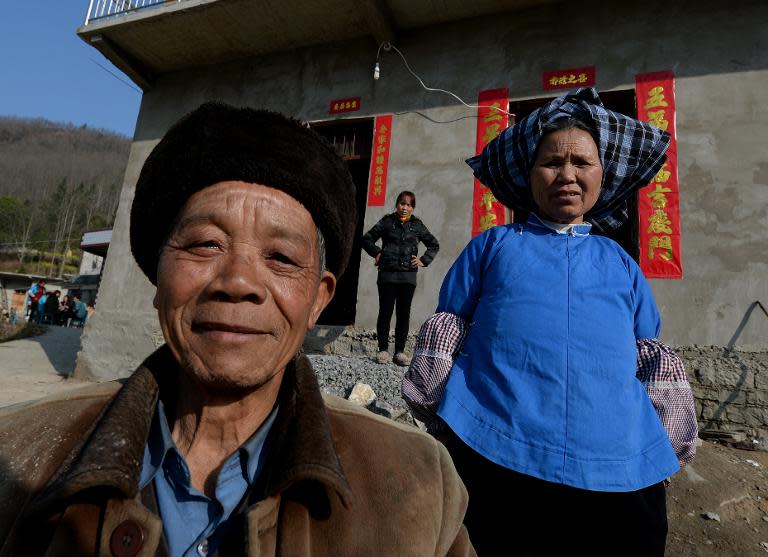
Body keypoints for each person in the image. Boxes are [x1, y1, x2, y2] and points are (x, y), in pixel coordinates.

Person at [0, 103, 474, 557]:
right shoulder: (16, 456)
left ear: (319, 299)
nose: (239, 283)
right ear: (158, 277)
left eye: (282, 258)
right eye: (206, 244)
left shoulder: (421, 487)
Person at [405, 88, 697, 556]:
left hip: (617, 472)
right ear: (529, 173)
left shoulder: (620, 261)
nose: (567, 175)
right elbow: (449, 325)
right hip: (495, 453)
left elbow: (649, 352)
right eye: (551, 162)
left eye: (582, 163)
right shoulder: (493, 245)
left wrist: (668, 435)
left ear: (602, 175)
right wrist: (440, 415)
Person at [362, 191, 439, 366]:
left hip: (408, 276)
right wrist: (377, 253)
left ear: (413, 208)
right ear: (397, 204)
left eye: (409, 205)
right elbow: (366, 239)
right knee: (385, 311)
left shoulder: (417, 225)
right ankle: (383, 350)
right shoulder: (387, 222)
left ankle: (400, 352)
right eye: (402, 204)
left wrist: (423, 260)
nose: (405, 208)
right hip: (387, 274)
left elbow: (434, 244)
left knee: (403, 314)